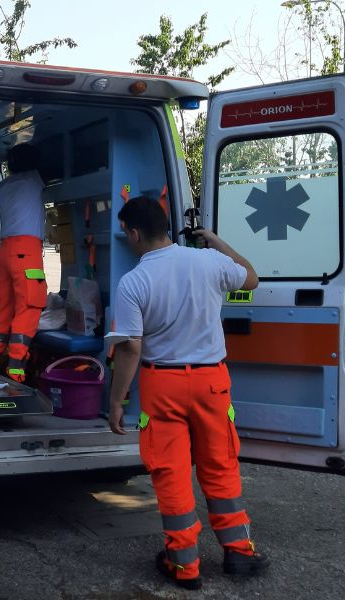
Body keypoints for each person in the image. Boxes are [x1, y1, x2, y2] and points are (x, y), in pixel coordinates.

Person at [107, 196, 268, 591]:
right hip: (213, 383)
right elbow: (251, 277)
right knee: (220, 464)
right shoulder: (209, 262)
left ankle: (184, 565)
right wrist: (216, 242)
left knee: (171, 471)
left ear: (133, 232)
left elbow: (130, 348)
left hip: (164, 385)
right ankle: (239, 553)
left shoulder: (133, 282)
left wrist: (117, 400)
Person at [0, 143, 48, 382]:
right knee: (29, 305)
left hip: (6, 250)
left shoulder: (0, 187)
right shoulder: (33, 180)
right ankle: (17, 368)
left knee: (4, 307)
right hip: (26, 251)